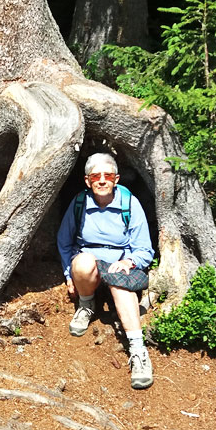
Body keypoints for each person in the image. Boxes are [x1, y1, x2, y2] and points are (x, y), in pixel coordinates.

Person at [57, 153, 155, 389]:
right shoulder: (80, 203)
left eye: (108, 175)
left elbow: (145, 249)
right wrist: (69, 275)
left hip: (118, 263)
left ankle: (138, 351)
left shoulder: (129, 203)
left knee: (120, 286)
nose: (102, 180)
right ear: (87, 181)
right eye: (95, 176)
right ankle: (87, 304)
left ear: (116, 179)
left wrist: (129, 261)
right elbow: (64, 242)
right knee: (82, 262)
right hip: (88, 264)